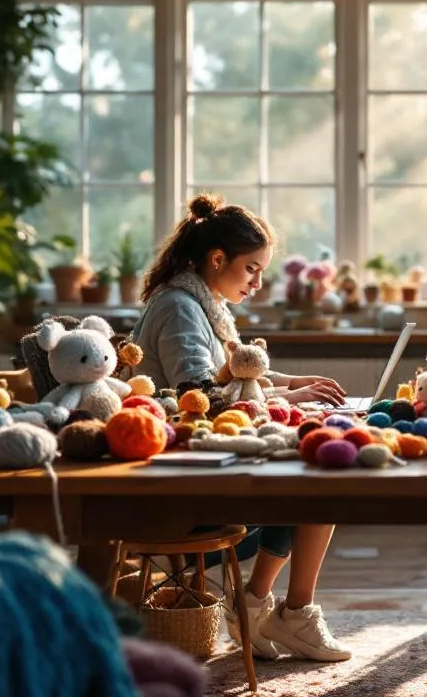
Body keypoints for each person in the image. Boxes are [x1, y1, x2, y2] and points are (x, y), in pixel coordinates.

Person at [130, 194, 351, 662]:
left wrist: (291, 383)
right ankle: (284, 613)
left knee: (312, 461)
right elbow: (201, 396)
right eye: (252, 269)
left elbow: (234, 372)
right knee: (319, 478)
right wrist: (288, 398)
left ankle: (261, 608)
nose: (257, 282)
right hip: (179, 490)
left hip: (198, 461)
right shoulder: (179, 308)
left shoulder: (200, 302)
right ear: (216, 259)